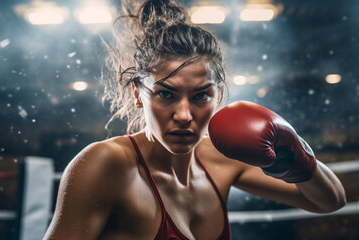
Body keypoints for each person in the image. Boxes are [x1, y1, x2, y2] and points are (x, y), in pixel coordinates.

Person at [43, 0, 346, 239]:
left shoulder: (222, 157)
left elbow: (329, 201)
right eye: (165, 95)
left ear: (220, 95)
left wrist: (292, 154)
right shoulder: (107, 163)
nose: (184, 115)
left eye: (201, 96)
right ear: (138, 95)